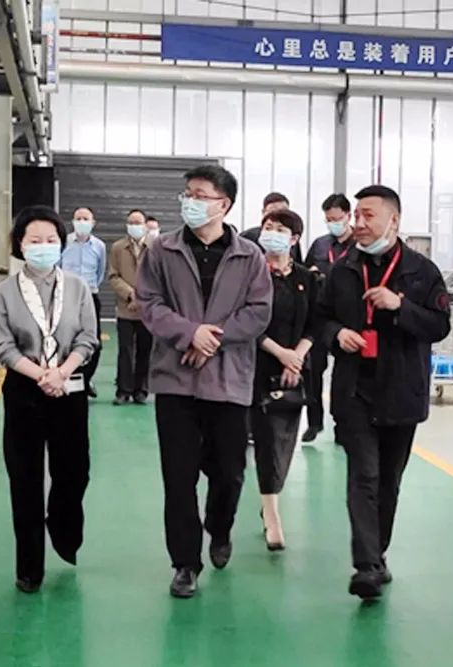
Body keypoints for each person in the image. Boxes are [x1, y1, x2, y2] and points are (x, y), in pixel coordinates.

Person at [136, 164, 272, 599]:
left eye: (200, 195)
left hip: (229, 381)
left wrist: (212, 339)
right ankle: (185, 563)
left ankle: (220, 527)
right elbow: (149, 303)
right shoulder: (162, 250)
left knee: (229, 473)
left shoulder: (250, 256)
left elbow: (259, 311)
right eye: (187, 194)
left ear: (223, 204)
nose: (190, 202)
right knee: (178, 478)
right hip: (175, 381)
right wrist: (188, 333)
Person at [318, 185, 451, 600]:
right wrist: (337, 334)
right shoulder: (342, 269)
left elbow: (439, 326)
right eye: (356, 215)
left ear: (394, 220)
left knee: (389, 480)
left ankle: (378, 553)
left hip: (402, 390)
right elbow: (320, 318)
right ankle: (366, 565)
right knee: (364, 475)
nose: (358, 223)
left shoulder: (421, 272)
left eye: (368, 215)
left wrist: (400, 307)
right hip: (355, 389)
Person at [0, 205, 98, 594]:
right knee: (25, 479)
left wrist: (62, 371)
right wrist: (40, 375)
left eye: (51, 239)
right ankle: (29, 567)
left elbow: (88, 337)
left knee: (75, 472)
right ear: (20, 244)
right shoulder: (4, 292)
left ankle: (64, 532)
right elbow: (1, 345)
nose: (44, 246)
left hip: (68, 388)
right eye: (35, 240)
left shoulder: (77, 288)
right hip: (24, 390)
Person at [251, 208, 317, 551]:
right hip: (257, 366)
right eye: (268, 227)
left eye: (280, 229)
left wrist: (297, 357)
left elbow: (315, 323)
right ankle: (272, 513)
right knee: (265, 439)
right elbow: (248, 322)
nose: (271, 233)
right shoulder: (251, 274)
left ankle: (269, 499)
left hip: (295, 371)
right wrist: (281, 354)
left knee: (284, 440)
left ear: (294, 239)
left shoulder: (306, 278)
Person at [301, 193, 354, 443]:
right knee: (313, 371)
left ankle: (342, 424)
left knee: (344, 376)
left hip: (346, 319)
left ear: (348, 216)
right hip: (321, 316)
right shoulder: (320, 245)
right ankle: (314, 422)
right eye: (328, 220)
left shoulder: (359, 246)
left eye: (336, 219)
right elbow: (303, 273)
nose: (333, 224)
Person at [107, 209, 153, 405]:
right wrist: (130, 293)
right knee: (125, 350)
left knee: (145, 350)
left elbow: (159, 277)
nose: (134, 226)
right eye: (131, 222)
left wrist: (142, 297)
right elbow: (113, 276)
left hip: (148, 310)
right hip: (125, 309)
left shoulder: (155, 247)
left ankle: (141, 390)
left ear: (145, 225)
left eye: (138, 222)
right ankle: (123, 390)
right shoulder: (118, 248)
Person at [60, 206, 106, 398]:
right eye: (78, 218)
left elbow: (100, 272)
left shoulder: (99, 246)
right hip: (66, 298)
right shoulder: (64, 243)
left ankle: (86, 379)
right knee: (66, 339)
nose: (81, 222)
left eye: (85, 219)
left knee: (94, 341)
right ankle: (66, 377)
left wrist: (89, 290)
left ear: (93, 223)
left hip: (91, 297)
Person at [242, 192, 304, 263]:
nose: (278, 215)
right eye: (273, 211)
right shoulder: (247, 237)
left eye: (283, 211)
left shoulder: (290, 238)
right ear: (264, 212)